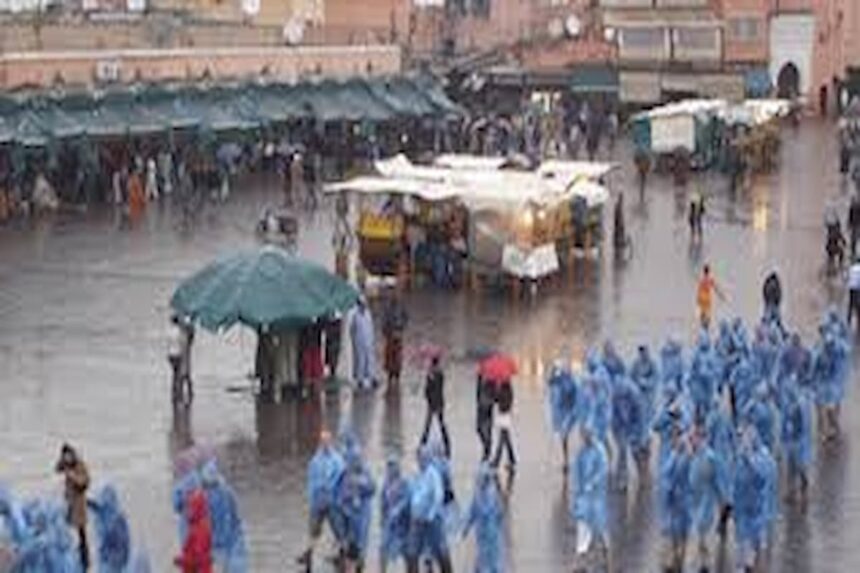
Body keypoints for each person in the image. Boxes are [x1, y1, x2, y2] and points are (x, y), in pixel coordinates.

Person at [298, 430, 346, 569]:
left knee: (339, 530)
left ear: (330, 442)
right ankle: (308, 555)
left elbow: (341, 479)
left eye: (327, 441)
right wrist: (311, 497)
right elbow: (311, 479)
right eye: (322, 441)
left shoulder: (337, 460)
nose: (324, 444)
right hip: (318, 501)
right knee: (313, 529)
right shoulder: (316, 460)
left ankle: (342, 555)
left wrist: (338, 496)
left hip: (333, 501)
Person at [406, 446, 452, 573]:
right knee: (412, 550)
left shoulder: (433, 474)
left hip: (432, 520)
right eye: (419, 457)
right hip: (417, 519)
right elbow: (412, 493)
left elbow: (438, 496)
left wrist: (431, 514)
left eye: (423, 457)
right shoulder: (416, 473)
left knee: (440, 548)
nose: (421, 460)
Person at [570, 424, 609, 562]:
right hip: (584, 497)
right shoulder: (581, 452)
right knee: (582, 523)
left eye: (586, 434)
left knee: (599, 525)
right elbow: (577, 472)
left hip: (596, 496)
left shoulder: (599, 451)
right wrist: (577, 492)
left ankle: (605, 548)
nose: (584, 437)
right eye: (583, 435)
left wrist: (593, 483)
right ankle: (581, 555)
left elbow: (603, 470)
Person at [200, 461, 247, 573]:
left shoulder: (208, 496)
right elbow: (235, 517)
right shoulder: (227, 491)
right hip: (227, 543)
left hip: (220, 544)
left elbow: (228, 519)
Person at [462, 464, 504, 573]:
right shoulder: (478, 495)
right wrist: (466, 528)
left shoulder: (492, 495)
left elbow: (499, 513)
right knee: (484, 558)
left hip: (491, 533)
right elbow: (472, 512)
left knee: (492, 559)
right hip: (483, 533)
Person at [55, 443, 90, 571]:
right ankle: (69, 557)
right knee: (66, 530)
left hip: (79, 505)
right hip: (69, 503)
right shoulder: (67, 465)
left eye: (68, 455)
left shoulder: (80, 465)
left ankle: (85, 561)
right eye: (64, 456)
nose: (67, 458)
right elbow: (57, 469)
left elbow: (84, 483)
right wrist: (63, 463)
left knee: (81, 534)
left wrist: (72, 475)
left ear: (72, 454)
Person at [87, 484, 131, 573]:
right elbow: (95, 507)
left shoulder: (117, 520)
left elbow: (123, 548)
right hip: (106, 562)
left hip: (114, 564)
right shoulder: (103, 516)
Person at [380, 456, 410, 573]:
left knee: (405, 550)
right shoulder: (386, 483)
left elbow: (407, 499)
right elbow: (383, 501)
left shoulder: (404, 482)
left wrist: (398, 509)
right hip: (388, 522)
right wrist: (383, 518)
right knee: (383, 547)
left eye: (393, 465)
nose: (390, 468)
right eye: (389, 466)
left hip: (401, 524)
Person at [546, 362, 579, 470]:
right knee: (563, 437)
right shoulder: (556, 382)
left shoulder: (569, 382)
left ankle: (568, 459)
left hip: (569, 413)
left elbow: (573, 395)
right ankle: (565, 460)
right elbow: (550, 382)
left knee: (566, 436)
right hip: (561, 414)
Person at [174, 489, 213, 573]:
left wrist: (181, 560)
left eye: (190, 507)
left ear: (197, 508)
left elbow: (199, 560)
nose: (187, 511)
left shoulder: (200, 530)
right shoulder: (197, 526)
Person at [421, 356, 451, 457]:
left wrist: (430, 379)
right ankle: (426, 440)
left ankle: (424, 441)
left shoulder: (436, 374)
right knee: (434, 422)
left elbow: (432, 388)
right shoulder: (436, 374)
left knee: (433, 422)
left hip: (435, 402)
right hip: (437, 402)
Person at [381, 289, 408, 391]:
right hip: (390, 335)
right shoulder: (387, 308)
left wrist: (401, 328)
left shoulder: (401, 307)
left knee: (398, 357)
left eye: (395, 296)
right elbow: (384, 321)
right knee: (390, 357)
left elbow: (406, 317)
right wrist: (386, 332)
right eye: (392, 296)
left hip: (398, 334)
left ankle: (397, 375)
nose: (394, 297)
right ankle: (390, 375)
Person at [349, 298, 378, 390]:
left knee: (370, 358)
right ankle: (360, 379)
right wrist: (354, 341)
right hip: (359, 341)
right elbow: (352, 330)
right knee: (360, 359)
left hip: (369, 340)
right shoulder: (355, 316)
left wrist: (373, 339)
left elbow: (371, 327)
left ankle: (372, 377)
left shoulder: (368, 314)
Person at [492, 379, 517, 472]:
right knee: (506, 437)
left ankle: (497, 460)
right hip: (505, 413)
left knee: (502, 437)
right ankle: (512, 458)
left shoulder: (503, 389)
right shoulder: (508, 389)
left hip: (503, 414)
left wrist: (496, 395)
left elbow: (498, 400)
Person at [696, 265, 725, 330]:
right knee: (707, 312)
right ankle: (706, 326)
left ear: (704, 271)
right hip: (707, 297)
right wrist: (721, 296)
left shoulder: (701, 279)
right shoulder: (710, 279)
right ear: (708, 271)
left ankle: (703, 325)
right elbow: (716, 288)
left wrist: (698, 300)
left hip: (702, 297)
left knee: (703, 313)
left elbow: (699, 290)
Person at [476, 375, 495, 461]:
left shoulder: (491, 378)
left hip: (486, 403)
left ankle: (487, 447)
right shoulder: (480, 376)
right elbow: (478, 391)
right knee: (479, 428)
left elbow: (493, 392)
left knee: (485, 426)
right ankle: (487, 444)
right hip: (482, 403)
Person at [324, 315, 343, 380]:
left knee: (333, 354)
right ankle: (332, 371)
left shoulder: (338, 323)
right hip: (331, 341)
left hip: (334, 340)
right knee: (331, 354)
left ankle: (333, 371)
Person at [848, 256, 860, 329]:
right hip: (857, 289)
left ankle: (848, 320)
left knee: (850, 305)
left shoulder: (852, 268)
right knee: (858, 306)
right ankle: (858, 324)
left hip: (851, 287)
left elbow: (849, 277)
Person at [848, 193, 860, 258]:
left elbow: (850, 215)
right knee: (854, 239)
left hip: (856, 224)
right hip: (855, 224)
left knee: (854, 239)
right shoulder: (853, 205)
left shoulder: (854, 205)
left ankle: (853, 253)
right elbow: (850, 215)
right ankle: (853, 253)